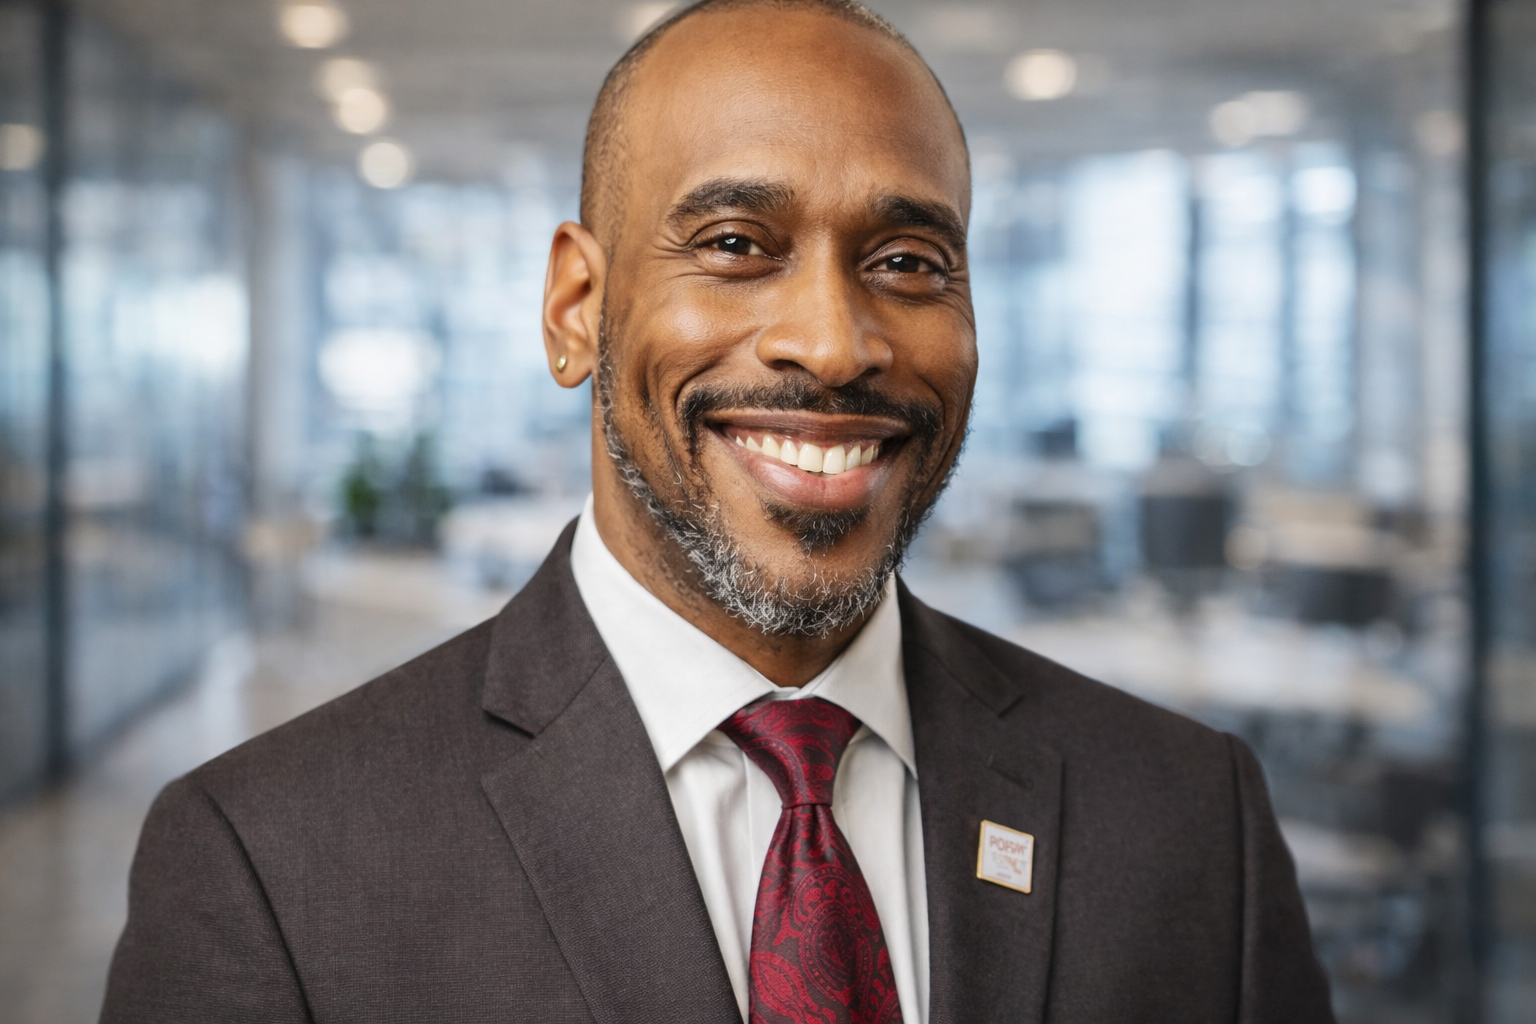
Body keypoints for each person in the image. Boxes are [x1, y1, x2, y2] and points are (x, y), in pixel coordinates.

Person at [101, 1, 1335, 1021]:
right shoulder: (273, 859)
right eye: (739, 243)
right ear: (577, 307)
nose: (833, 343)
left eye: (908, 263)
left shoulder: (1188, 821)